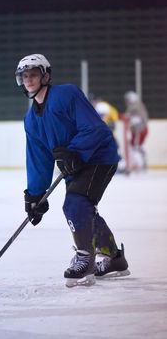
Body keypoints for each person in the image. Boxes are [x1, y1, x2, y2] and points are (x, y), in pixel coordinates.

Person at [15, 54, 130, 287]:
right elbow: (39, 159)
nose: (29, 80)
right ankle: (114, 259)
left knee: (74, 204)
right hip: (74, 165)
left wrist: (75, 151)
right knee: (83, 208)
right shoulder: (31, 120)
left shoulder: (66, 94)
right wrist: (36, 194)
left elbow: (95, 128)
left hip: (98, 157)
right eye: (24, 76)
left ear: (46, 76)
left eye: (34, 75)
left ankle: (85, 259)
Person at [124, 91, 149, 171]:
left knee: (135, 146)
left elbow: (137, 121)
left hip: (140, 130)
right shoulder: (137, 107)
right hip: (139, 130)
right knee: (137, 146)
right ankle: (140, 163)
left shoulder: (136, 107)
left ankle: (138, 164)